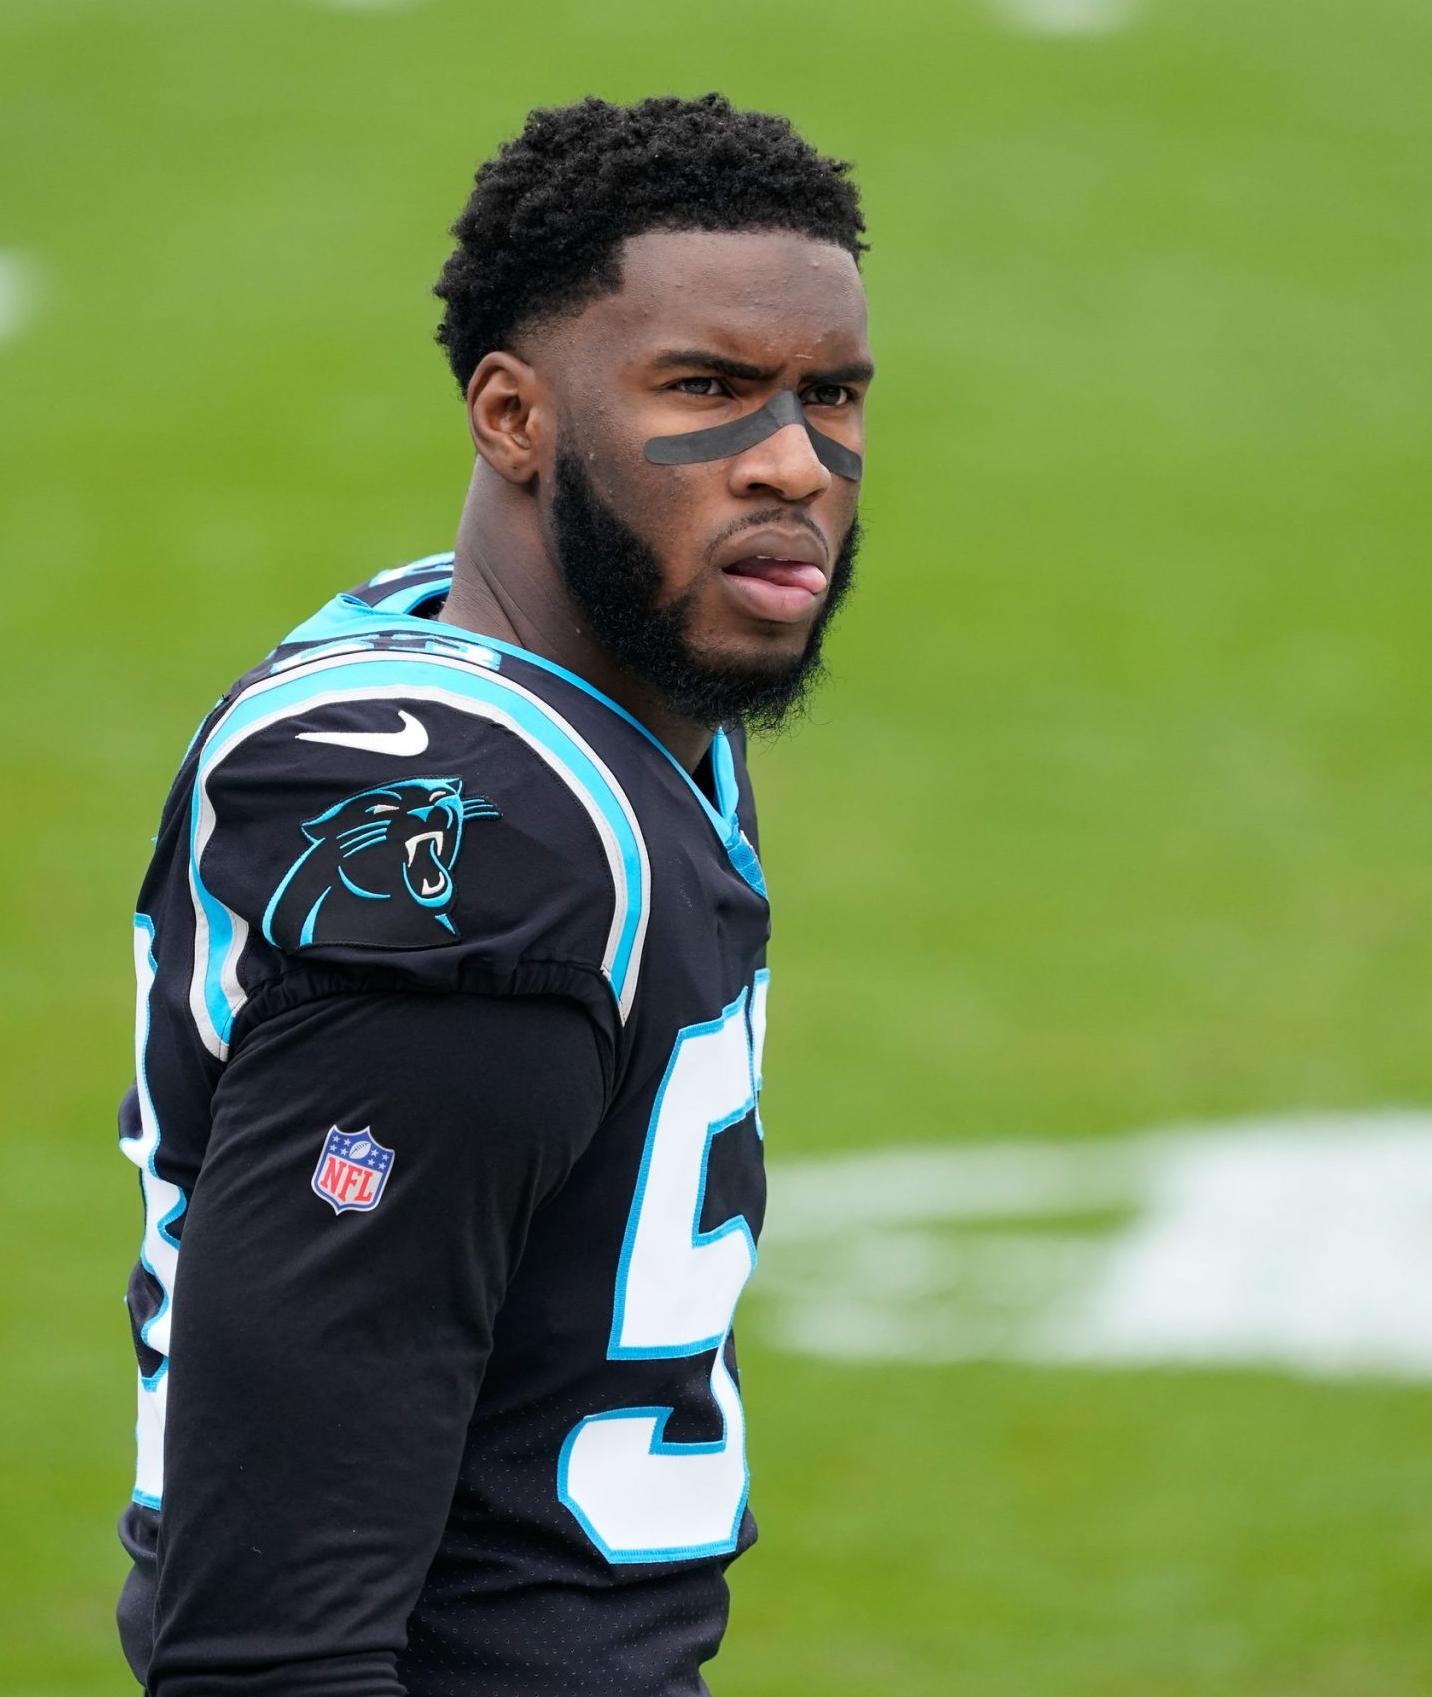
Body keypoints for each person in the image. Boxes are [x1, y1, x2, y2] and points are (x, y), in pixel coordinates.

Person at [112, 93, 871, 1696]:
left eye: (832, 395)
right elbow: (268, 1654)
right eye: (711, 390)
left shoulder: (593, 687)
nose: (795, 461)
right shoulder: (484, 866)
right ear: (513, 419)